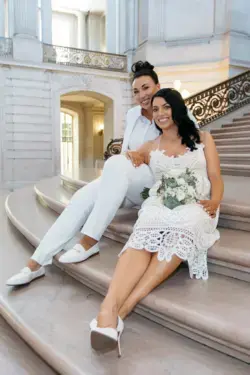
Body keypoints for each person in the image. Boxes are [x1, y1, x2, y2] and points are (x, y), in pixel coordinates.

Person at [6, 62, 198, 287]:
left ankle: (89, 240)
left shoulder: (177, 115)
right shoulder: (133, 114)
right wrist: (126, 161)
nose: (142, 95)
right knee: (80, 199)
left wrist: (143, 155)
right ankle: (35, 264)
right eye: (136, 91)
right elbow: (127, 151)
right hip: (126, 178)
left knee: (117, 163)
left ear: (158, 85)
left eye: (146, 88)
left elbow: (189, 153)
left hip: (154, 186)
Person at [90, 88, 224, 357]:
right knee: (143, 233)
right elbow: (132, 158)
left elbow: (216, 177)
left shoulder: (204, 139)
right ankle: (107, 308)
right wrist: (131, 158)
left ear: (177, 108)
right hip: (161, 202)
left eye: (166, 107)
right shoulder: (151, 146)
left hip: (197, 205)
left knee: (183, 228)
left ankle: (124, 309)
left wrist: (214, 201)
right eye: (156, 109)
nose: (160, 113)